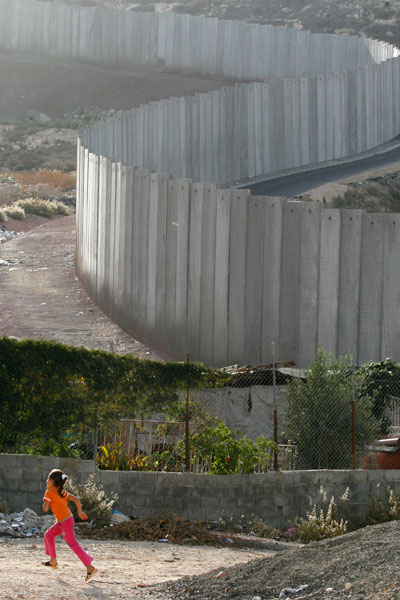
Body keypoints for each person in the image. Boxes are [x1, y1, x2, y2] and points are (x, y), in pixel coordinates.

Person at [41, 469, 98, 583]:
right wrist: (80, 512)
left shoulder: (50, 492)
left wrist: (46, 501)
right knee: (48, 535)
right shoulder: (61, 491)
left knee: (73, 544)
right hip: (63, 521)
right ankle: (53, 561)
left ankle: (90, 568)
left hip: (65, 522)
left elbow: (45, 509)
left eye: (48, 478)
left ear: (52, 481)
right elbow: (76, 499)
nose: (46, 481)